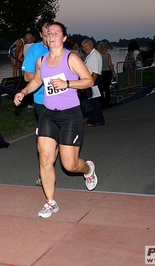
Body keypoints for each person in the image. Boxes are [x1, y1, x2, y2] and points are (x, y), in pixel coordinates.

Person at [14, 22, 98, 219]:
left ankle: (89, 169)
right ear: (45, 37)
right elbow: (36, 80)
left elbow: (89, 81)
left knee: (69, 165)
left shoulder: (72, 58)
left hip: (70, 115)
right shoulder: (41, 61)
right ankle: (51, 202)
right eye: (49, 33)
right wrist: (23, 92)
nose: (51, 35)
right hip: (48, 114)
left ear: (64, 38)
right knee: (45, 159)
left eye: (56, 33)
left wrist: (68, 83)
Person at [21, 20, 51, 186]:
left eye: (51, 34)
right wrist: (49, 76)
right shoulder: (35, 50)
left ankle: (51, 162)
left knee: (60, 141)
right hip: (41, 100)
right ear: (41, 35)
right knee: (45, 138)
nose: (48, 38)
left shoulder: (65, 51)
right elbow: (27, 77)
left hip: (63, 103)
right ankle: (45, 171)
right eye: (45, 34)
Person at [82, 39, 105, 127]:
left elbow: (95, 72)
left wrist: (90, 83)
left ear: (91, 45)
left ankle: (92, 121)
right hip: (93, 79)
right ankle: (100, 119)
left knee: (93, 101)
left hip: (94, 79)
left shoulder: (94, 55)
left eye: (86, 46)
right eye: (83, 47)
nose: (84, 48)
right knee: (96, 101)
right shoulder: (90, 55)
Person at [97, 42, 116, 106]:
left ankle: (102, 100)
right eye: (106, 47)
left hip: (102, 72)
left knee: (102, 87)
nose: (106, 48)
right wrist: (113, 72)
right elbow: (110, 64)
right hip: (106, 71)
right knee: (106, 86)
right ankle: (107, 100)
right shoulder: (107, 55)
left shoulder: (98, 55)